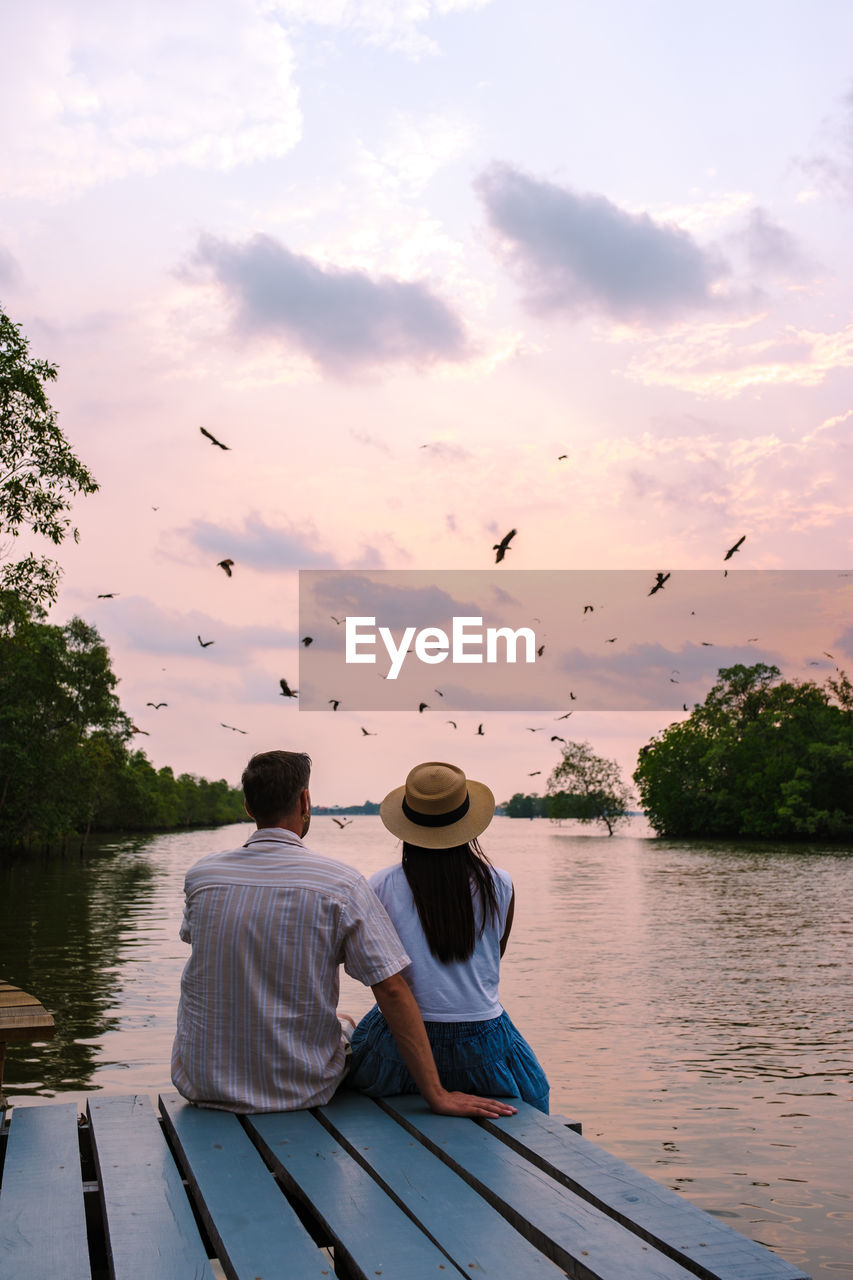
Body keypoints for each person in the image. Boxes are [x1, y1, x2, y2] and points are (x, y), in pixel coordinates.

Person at [171, 749, 516, 1118]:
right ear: (305, 801)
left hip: (201, 1081)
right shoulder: (340, 883)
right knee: (347, 1026)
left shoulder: (201, 876)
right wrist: (437, 1094)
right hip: (301, 1086)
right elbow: (393, 988)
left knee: (347, 1024)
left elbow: (206, 943)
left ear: (248, 806)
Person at [347, 761, 550, 1113]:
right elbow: (492, 958)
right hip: (483, 1046)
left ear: (406, 825)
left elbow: (378, 974)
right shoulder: (500, 883)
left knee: (354, 1040)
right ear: (468, 823)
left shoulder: (380, 885)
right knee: (536, 1092)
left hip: (400, 1050)